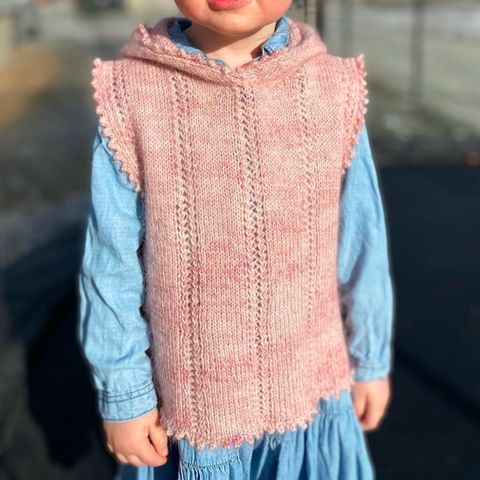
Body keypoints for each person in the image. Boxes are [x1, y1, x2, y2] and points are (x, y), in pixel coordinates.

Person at [77, 2, 395, 479]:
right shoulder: (131, 95)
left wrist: (369, 360)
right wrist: (124, 395)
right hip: (197, 415)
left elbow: (362, 244)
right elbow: (110, 264)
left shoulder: (334, 88)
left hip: (312, 391)